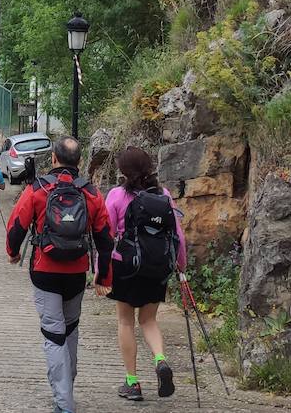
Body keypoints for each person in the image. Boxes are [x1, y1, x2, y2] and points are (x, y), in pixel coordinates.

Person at [6, 137, 114, 413]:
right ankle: (67, 385)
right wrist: (104, 277)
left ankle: (64, 401)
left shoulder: (38, 189)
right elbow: (105, 239)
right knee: (70, 331)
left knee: (53, 335)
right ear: (80, 160)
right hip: (77, 274)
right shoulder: (91, 193)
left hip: (44, 271)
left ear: (53, 158)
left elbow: (16, 225)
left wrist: (13, 252)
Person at [104, 147, 188, 401]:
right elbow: (178, 235)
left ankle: (133, 382)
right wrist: (180, 266)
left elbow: (105, 236)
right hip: (156, 266)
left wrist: (101, 271)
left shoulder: (117, 195)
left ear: (123, 170)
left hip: (126, 267)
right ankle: (160, 360)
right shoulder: (163, 195)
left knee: (125, 321)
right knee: (149, 321)